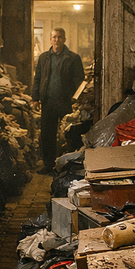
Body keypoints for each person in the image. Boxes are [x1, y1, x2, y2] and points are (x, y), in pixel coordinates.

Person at [32, 27, 84, 174]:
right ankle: (49, 165)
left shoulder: (73, 58)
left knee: (70, 133)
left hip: (65, 102)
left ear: (64, 39)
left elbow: (79, 81)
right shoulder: (43, 58)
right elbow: (37, 79)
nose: (57, 40)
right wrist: (35, 98)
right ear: (50, 39)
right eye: (54, 37)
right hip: (48, 101)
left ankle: (70, 164)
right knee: (47, 135)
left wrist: (77, 100)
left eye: (60, 37)